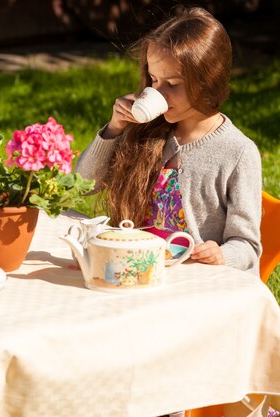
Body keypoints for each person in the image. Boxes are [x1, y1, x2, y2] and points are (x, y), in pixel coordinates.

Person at [76, 7, 262, 275]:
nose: (156, 92)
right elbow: (84, 185)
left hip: (196, 283)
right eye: (153, 79)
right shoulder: (149, 132)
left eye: (173, 83)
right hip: (136, 272)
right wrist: (114, 129)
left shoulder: (238, 152)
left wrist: (220, 253)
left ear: (208, 81)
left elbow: (247, 245)